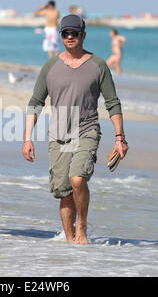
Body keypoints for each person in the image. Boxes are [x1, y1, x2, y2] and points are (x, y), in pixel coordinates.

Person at [22, 14, 129, 245]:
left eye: (74, 33)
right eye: (65, 33)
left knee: (78, 178)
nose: (70, 37)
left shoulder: (98, 65)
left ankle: (82, 226)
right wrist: (27, 138)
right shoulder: (51, 66)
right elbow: (36, 102)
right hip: (59, 134)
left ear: (83, 35)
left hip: (87, 129)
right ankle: (72, 246)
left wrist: (120, 138)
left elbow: (112, 102)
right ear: (61, 35)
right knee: (64, 192)